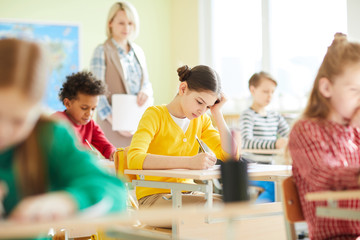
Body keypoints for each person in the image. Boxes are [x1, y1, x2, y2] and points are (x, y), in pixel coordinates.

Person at [0, 39, 127, 231]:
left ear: (36, 111)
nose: (3, 131)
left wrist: (67, 202)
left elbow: (114, 193)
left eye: (19, 121)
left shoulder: (48, 134)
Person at [127, 65, 238, 214]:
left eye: (207, 106)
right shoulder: (155, 115)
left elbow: (231, 155)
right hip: (154, 199)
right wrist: (190, 162)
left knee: (235, 205)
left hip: (188, 194)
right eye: (199, 102)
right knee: (218, 209)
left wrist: (217, 112)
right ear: (183, 89)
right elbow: (134, 159)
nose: (201, 110)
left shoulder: (202, 120)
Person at [288, 33, 360, 240]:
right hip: (336, 235)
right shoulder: (306, 130)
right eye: (355, 90)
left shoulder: (354, 132)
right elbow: (324, 176)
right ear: (327, 88)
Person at [90, 1, 153, 148]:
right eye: (121, 23)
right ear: (110, 23)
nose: (127, 28)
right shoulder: (102, 51)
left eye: (130, 23)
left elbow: (147, 84)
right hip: (111, 126)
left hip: (137, 126)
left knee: (136, 167)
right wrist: (116, 121)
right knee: (114, 168)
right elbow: (96, 92)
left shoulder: (138, 52)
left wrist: (145, 91)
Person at [53, 71, 116, 161]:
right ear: (67, 103)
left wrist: (113, 153)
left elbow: (106, 147)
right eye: (84, 108)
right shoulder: (57, 122)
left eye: (93, 109)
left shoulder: (90, 125)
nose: (89, 113)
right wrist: (83, 155)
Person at [239, 71, 289, 150]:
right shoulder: (248, 115)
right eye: (265, 91)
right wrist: (275, 144)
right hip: (253, 162)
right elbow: (245, 142)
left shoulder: (275, 116)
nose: (270, 95)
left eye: (272, 92)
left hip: (272, 162)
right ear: (252, 90)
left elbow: (290, 135)